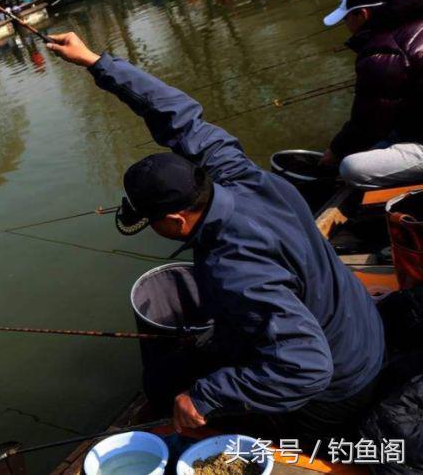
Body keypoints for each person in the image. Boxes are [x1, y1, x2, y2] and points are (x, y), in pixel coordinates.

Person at [47, 31, 384, 445]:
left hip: (337, 386)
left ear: (174, 219)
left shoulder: (235, 267)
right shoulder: (240, 175)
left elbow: (308, 367)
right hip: (361, 326)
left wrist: (205, 397)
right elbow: (178, 115)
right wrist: (96, 62)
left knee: (179, 396)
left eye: (151, 220)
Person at [318, 0, 423, 187]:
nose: (345, 24)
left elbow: (367, 122)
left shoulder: (380, 53)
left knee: (351, 167)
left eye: (346, 18)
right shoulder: (416, 22)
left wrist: (336, 150)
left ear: (363, 14)